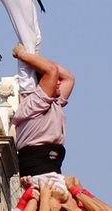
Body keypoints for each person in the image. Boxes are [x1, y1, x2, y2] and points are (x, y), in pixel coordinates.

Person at [11, 48, 72, 187]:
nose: (58, 82)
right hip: (37, 164)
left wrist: (34, 57)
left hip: (52, 163)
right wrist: (22, 54)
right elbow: (52, 71)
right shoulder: (36, 102)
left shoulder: (55, 102)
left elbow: (68, 77)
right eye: (55, 81)